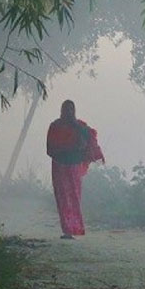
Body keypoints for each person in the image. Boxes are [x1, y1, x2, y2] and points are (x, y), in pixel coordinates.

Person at [46, 100, 104, 239]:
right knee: (62, 199)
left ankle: (74, 228)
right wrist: (65, 150)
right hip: (59, 166)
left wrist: (76, 147)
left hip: (73, 166)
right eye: (66, 109)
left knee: (74, 198)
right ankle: (67, 230)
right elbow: (49, 149)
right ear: (62, 110)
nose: (69, 112)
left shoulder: (81, 127)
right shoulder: (55, 126)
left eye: (71, 109)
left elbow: (90, 139)